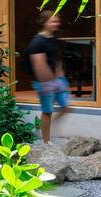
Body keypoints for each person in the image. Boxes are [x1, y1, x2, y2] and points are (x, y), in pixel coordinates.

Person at [26, 10, 71, 144]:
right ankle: (46, 141)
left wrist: (61, 77)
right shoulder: (37, 42)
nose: (57, 23)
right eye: (53, 21)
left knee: (66, 107)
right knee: (47, 112)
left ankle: (44, 125)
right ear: (44, 23)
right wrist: (49, 83)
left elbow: (57, 59)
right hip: (44, 83)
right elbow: (39, 65)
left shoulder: (54, 39)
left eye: (57, 21)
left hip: (57, 80)